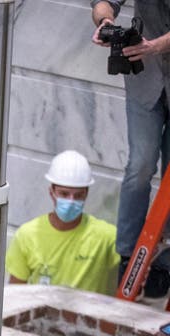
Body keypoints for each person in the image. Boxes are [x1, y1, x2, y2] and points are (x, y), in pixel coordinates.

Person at [91, 0, 170, 298]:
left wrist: (154, 46)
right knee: (139, 165)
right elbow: (103, 2)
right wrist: (105, 23)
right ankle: (127, 255)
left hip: (152, 58)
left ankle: (165, 261)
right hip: (145, 81)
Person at [6, 150, 119, 294]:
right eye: (64, 194)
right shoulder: (27, 235)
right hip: (43, 316)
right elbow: (16, 294)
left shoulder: (107, 237)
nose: (71, 201)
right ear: (51, 192)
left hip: (86, 315)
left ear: (86, 194)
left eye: (78, 195)